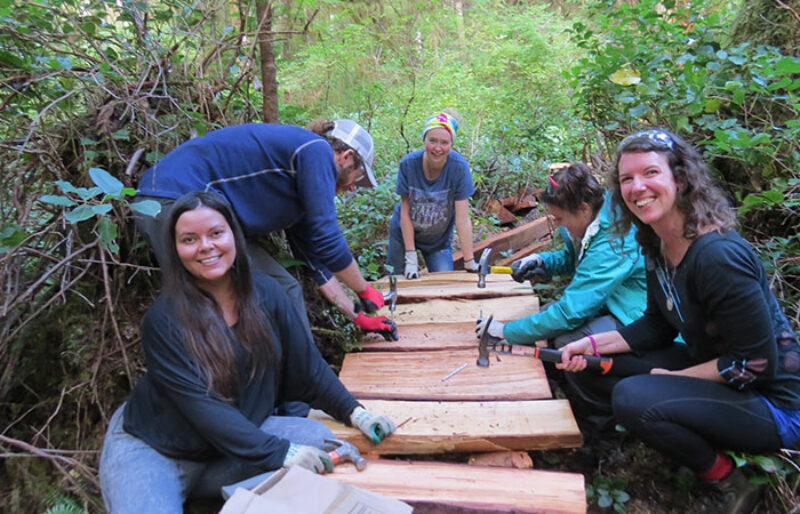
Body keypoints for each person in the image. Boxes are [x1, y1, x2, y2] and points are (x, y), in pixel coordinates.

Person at [100, 192, 396, 513]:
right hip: (158, 449)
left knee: (314, 438)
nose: (206, 246)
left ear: (234, 236)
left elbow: (307, 368)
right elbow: (203, 408)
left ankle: (219, 496)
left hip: (222, 452)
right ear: (175, 248)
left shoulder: (267, 293)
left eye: (216, 233)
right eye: (189, 239)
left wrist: (356, 413)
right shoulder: (164, 320)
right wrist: (280, 452)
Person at [557, 129, 800, 512]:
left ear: (681, 179)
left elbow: (754, 363)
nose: (637, 187)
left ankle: (730, 482)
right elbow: (657, 325)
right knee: (592, 367)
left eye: (650, 173)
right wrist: (588, 345)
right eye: (626, 179)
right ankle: (656, 435)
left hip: (773, 402)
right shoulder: (656, 242)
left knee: (632, 396)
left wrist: (673, 381)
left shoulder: (717, 256)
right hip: (722, 374)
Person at [134, 120, 396, 342]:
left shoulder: (300, 188)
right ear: (346, 156)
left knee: (283, 288)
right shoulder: (316, 150)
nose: (353, 188)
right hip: (171, 203)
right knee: (201, 306)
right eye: (358, 178)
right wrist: (364, 291)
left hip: (185, 209)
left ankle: (298, 385)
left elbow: (317, 264)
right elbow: (328, 238)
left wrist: (358, 316)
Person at [475, 162, 647, 348]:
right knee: (547, 312)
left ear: (583, 208)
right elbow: (576, 259)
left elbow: (571, 312)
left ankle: (603, 376)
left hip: (632, 314)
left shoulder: (614, 241)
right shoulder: (595, 216)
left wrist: (505, 331)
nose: (558, 225)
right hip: (610, 300)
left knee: (569, 341)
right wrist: (542, 261)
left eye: (559, 218)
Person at [387, 111, 477, 278]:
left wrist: (469, 261)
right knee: (395, 280)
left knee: (443, 285)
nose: (437, 148)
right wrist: (411, 257)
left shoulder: (459, 168)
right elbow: (405, 213)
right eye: (432, 140)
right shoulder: (408, 165)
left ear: (451, 144)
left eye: (444, 142)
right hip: (403, 234)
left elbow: (463, 219)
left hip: (438, 242)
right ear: (424, 140)